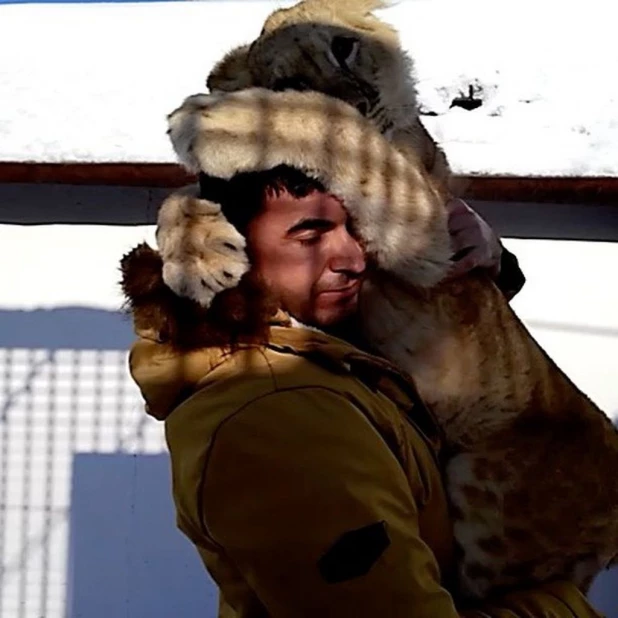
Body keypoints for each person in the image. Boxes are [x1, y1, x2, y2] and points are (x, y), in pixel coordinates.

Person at [121, 106, 600, 616]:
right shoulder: (283, 414)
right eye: (309, 236)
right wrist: (562, 608)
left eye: (356, 228)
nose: (352, 257)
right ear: (229, 249)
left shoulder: (322, 357)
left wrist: (463, 263)